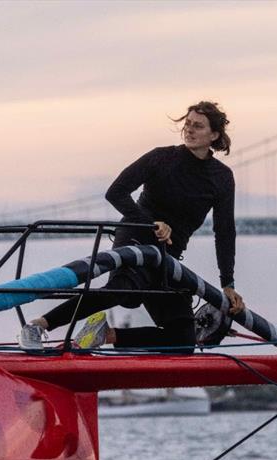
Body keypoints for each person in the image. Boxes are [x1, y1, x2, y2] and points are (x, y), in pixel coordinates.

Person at [19, 101, 245, 350]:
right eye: (187, 124)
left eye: (198, 126)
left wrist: (228, 284)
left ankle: (105, 335)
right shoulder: (162, 157)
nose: (189, 130)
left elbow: (224, 232)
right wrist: (151, 224)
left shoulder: (222, 177)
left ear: (214, 135)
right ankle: (37, 326)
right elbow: (116, 192)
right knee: (121, 290)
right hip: (136, 236)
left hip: (167, 256)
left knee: (182, 340)